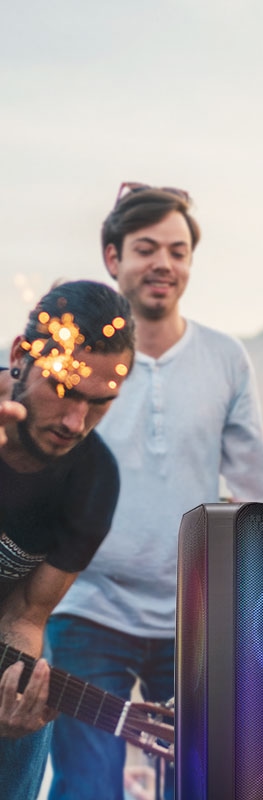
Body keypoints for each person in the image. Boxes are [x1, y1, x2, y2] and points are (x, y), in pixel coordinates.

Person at [46, 184, 263, 800]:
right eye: (146, 248)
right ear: (112, 257)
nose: (163, 264)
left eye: (178, 251)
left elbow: (256, 491)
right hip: (84, 608)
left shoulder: (225, 357)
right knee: (86, 789)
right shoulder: (74, 362)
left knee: (207, 787)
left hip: (195, 619)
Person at [0, 280, 135, 800]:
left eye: (100, 403)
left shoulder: (95, 481)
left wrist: (14, 710)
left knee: (30, 698)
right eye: (63, 388)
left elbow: (26, 616)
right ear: (20, 357)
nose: (77, 422)